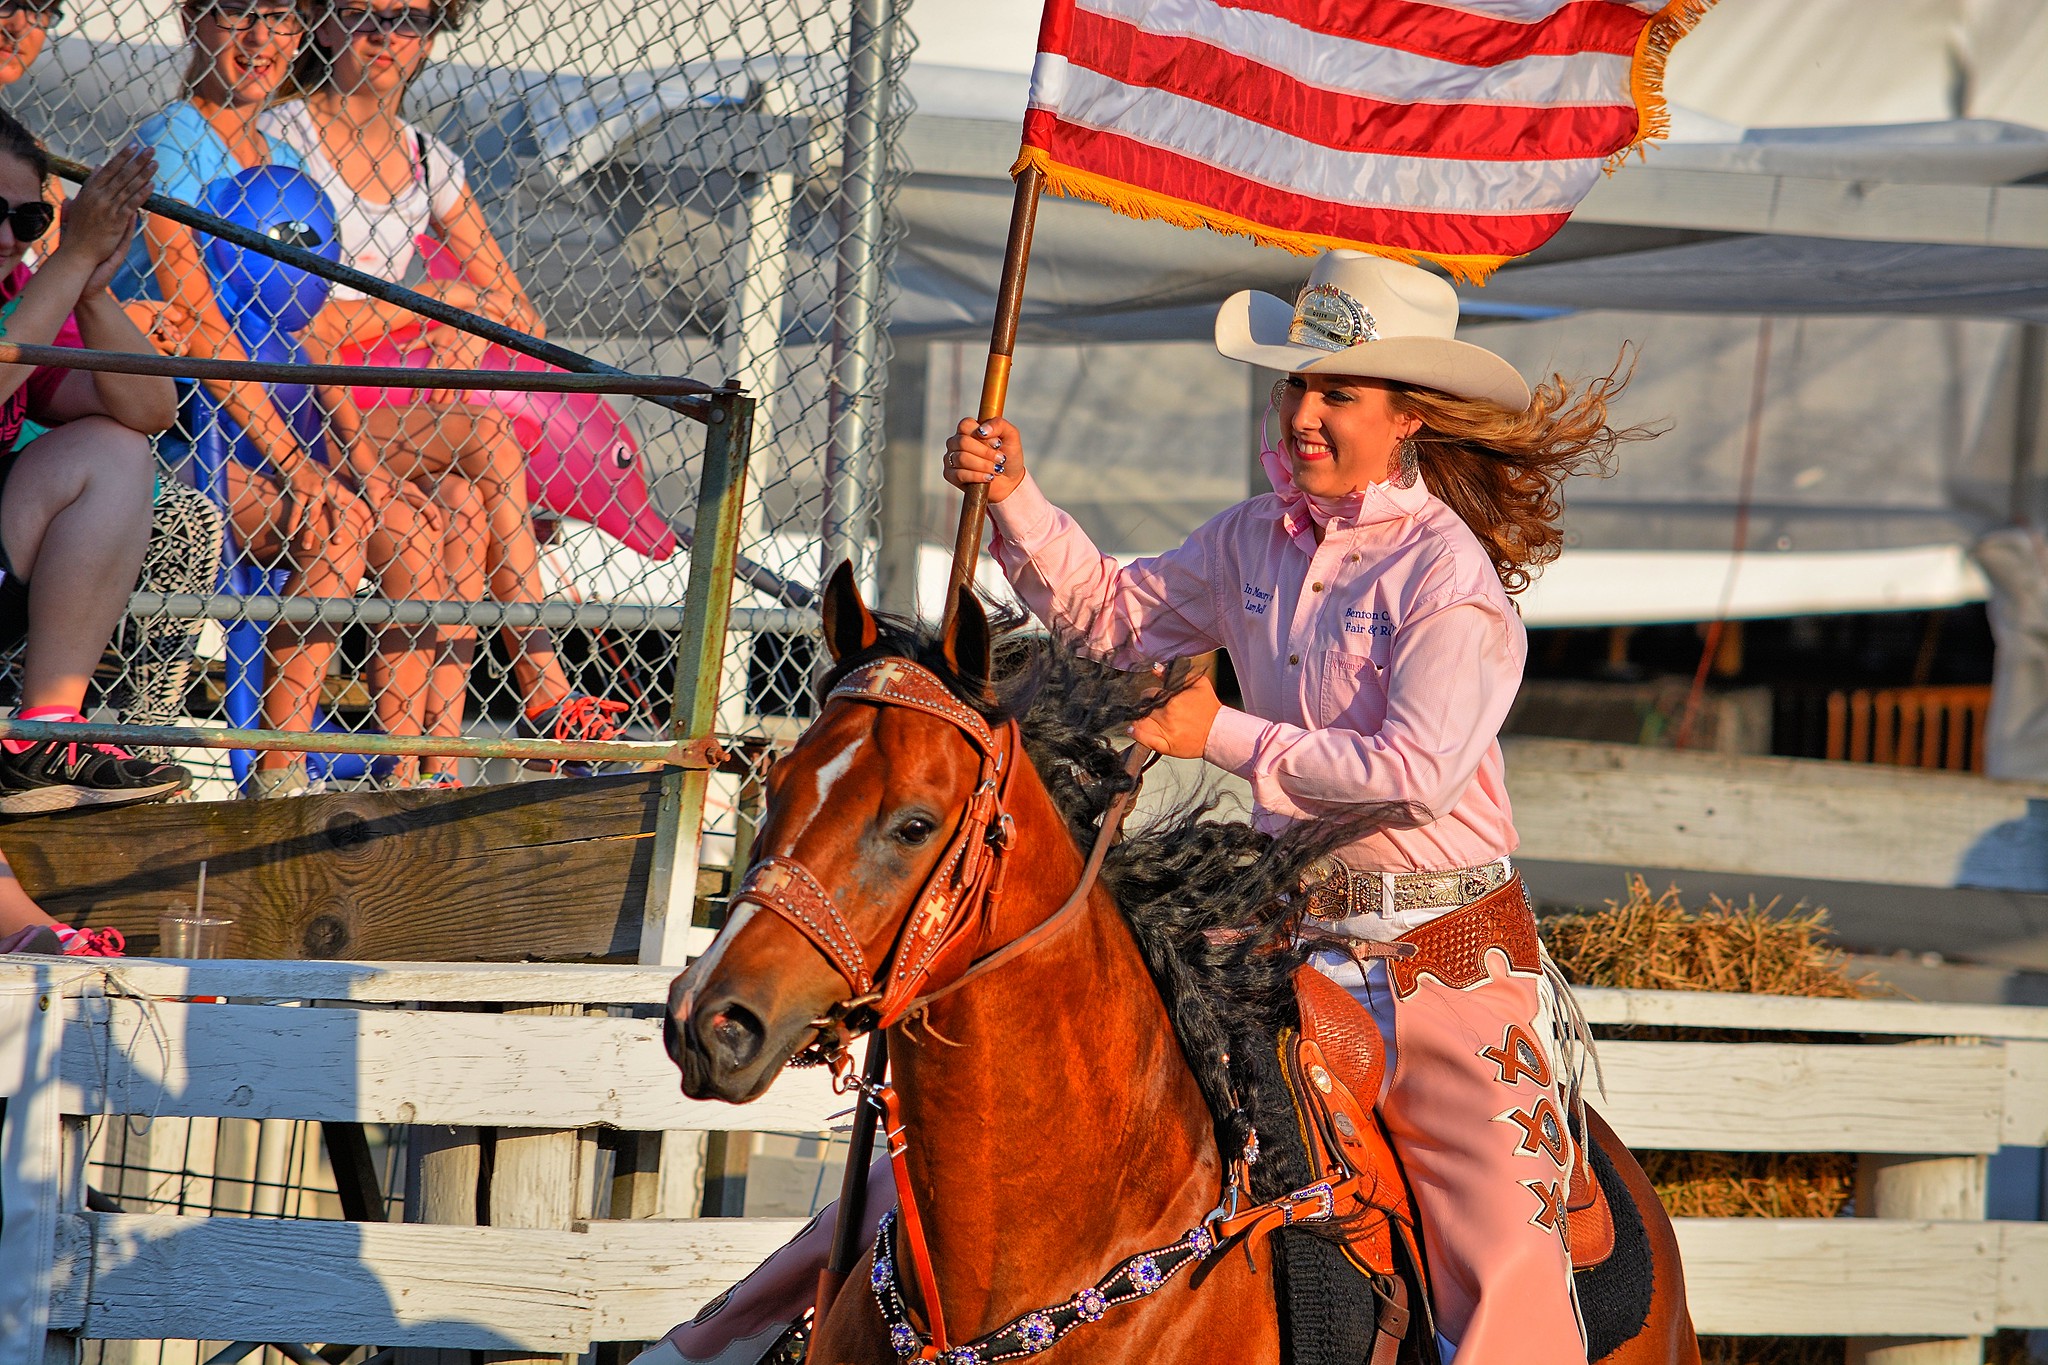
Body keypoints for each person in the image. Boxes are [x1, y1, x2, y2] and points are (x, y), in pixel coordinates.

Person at [649, 251, 1653, 1365]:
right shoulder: (1249, 540)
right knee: (963, 1152)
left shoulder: (1446, 581)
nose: (1305, 413)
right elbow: (1113, 620)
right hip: (1281, 943)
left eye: (1338, 394)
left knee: (1504, 1258)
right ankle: (712, 1349)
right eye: (1296, 387)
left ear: (1407, 416)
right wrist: (1012, 498)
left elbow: (1412, 770)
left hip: (1444, 960)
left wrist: (1212, 734)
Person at [264, 0, 626, 765]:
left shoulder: (429, 160)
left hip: (388, 406)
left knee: (465, 505)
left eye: (413, 18)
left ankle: (426, 760)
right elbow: (296, 318)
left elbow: (516, 314)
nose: (388, 36)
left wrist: (457, 321)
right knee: (486, 436)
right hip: (298, 396)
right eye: (364, 13)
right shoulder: (283, 139)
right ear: (322, 24)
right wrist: (436, 307)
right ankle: (541, 681)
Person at [132, 0, 475, 793]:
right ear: (193, 17)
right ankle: (280, 775)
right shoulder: (169, 146)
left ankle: (411, 777)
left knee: (414, 526)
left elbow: (310, 327)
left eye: (282, 19)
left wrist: (354, 458)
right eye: (238, 15)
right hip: (183, 433)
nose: (261, 40)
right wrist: (298, 465)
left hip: (287, 424)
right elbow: (201, 325)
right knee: (338, 521)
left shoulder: (273, 150)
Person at [0, 121, 191, 958]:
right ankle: (22, 933)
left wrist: (91, 292)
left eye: (29, 222)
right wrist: (66, 261)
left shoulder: (25, 294)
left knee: (116, 451)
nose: (11, 237)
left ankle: (42, 728)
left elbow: (153, 412)